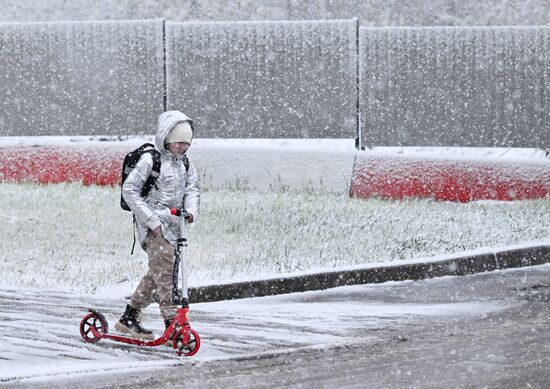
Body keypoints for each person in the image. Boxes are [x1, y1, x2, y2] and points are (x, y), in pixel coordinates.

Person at [115, 110, 200, 340]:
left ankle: (129, 317)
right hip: (154, 223)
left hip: (176, 224)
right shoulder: (150, 160)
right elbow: (130, 190)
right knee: (166, 274)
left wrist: (191, 211)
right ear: (167, 139)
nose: (183, 148)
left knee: (158, 272)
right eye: (179, 143)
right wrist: (151, 221)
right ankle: (171, 320)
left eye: (187, 143)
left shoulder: (185, 163)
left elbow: (192, 189)